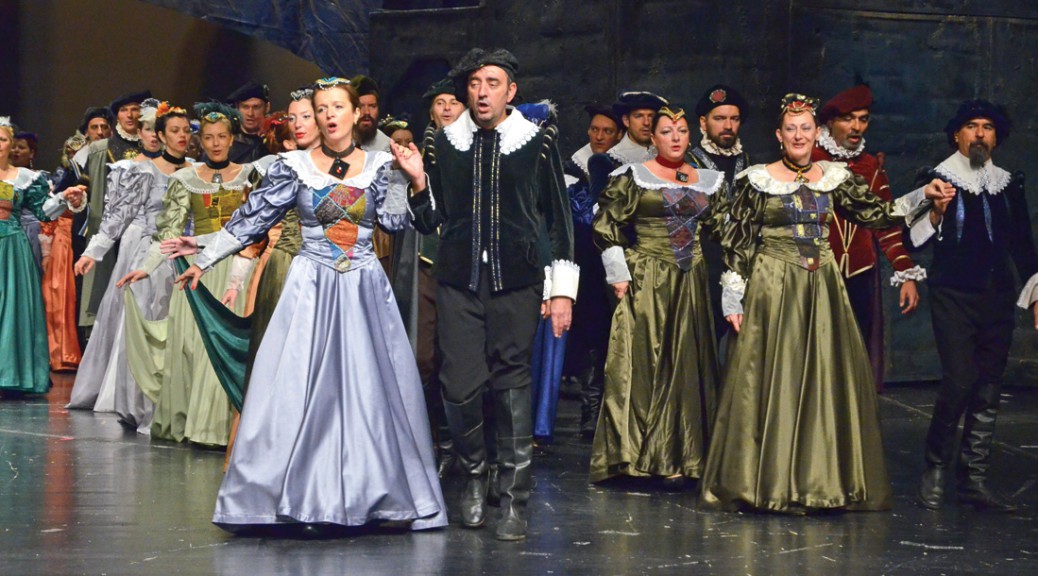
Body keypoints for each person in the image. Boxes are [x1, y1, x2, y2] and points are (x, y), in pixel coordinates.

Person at [174, 76, 446, 532]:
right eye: (321, 109)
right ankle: (294, 496)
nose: (329, 115)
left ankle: (369, 495)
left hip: (362, 289)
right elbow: (252, 218)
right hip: (311, 287)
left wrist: (417, 178)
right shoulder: (293, 166)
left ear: (356, 113)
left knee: (367, 392)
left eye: (338, 106)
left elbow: (402, 221)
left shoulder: (382, 166)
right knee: (296, 388)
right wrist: (204, 257)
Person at [700, 93, 934, 514]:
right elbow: (738, 241)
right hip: (773, 287)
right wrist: (733, 295)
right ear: (779, 135)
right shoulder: (758, 179)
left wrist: (924, 196)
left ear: (815, 133)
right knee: (773, 380)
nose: (798, 136)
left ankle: (818, 480)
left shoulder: (834, 177)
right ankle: (766, 481)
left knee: (822, 380)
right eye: (791, 129)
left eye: (805, 128)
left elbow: (879, 214)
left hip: (822, 287)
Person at [401, 48, 577, 541]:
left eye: (492, 83)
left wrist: (561, 292)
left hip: (516, 280)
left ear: (510, 91)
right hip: (459, 279)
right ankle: (474, 477)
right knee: (459, 385)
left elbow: (558, 219)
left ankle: (514, 497)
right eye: (475, 83)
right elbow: (430, 221)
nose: (482, 92)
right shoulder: (446, 142)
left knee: (512, 380)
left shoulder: (536, 141)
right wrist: (418, 181)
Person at [910, 99, 1038, 513]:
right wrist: (936, 213)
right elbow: (913, 240)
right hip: (953, 295)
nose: (980, 133)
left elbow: (1022, 243)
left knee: (988, 384)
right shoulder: (937, 179)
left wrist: (1036, 292)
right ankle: (935, 467)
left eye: (987, 127)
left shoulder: (1007, 184)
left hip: (996, 297)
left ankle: (973, 479)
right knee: (960, 379)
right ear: (957, 135)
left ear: (996, 137)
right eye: (971, 126)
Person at [589, 105, 726, 488]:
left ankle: (682, 455)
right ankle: (633, 456)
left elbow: (726, 229)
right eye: (667, 131)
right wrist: (618, 273)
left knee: (685, 364)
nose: (676, 137)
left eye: (681, 130)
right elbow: (606, 224)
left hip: (690, 280)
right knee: (644, 362)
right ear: (653, 138)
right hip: (647, 276)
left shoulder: (706, 180)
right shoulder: (634, 176)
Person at [118, 101, 259, 446]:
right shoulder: (186, 179)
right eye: (208, 137)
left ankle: (227, 427)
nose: (215, 143)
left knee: (230, 345)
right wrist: (146, 268)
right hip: (200, 270)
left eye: (222, 136)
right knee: (195, 348)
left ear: (232, 138)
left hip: (238, 269)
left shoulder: (250, 175)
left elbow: (257, 226)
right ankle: (197, 424)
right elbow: (169, 232)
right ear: (201, 141)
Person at [68, 103, 190, 429]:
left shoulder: (195, 170)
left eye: (186, 130)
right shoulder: (142, 170)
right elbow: (116, 218)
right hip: (149, 255)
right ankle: (141, 402)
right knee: (144, 325)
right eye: (174, 130)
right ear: (161, 135)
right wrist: (92, 252)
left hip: (185, 256)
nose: (181, 136)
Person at [814, 85, 924, 391]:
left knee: (856, 356)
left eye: (863, 119)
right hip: (818, 271)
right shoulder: (809, 159)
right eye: (849, 119)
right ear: (831, 123)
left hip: (861, 273)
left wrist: (905, 273)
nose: (857, 127)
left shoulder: (870, 166)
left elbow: (887, 225)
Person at [0, 116, 85, 394]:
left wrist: (64, 198)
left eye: (2, 139)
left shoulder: (25, 179)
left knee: (12, 311)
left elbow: (44, 211)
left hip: (12, 250)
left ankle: (10, 375)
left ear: (11, 145)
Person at [562, 103, 621, 437]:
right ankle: (590, 407)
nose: (599, 137)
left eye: (607, 131)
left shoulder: (623, 166)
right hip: (585, 258)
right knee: (590, 333)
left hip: (615, 258)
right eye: (595, 130)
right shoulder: (573, 166)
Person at [73, 90, 151, 337]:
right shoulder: (100, 149)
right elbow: (82, 188)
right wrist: (77, 199)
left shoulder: (155, 146)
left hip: (145, 232)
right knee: (104, 293)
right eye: (124, 110)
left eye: (135, 109)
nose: (131, 114)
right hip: (108, 229)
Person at [687, 85, 752, 343]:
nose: (728, 125)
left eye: (734, 119)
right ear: (703, 123)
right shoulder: (689, 163)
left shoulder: (749, 162)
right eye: (720, 118)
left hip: (742, 264)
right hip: (704, 265)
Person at [225, 80, 271, 164]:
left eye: (256, 107)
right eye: (245, 107)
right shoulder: (226, 144)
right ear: (237, 108)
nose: (250, 113)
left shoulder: (275, 141)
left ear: (267, 107)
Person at [351, 75, 393, 152]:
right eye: (360, 106)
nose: (367, 112)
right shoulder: (334, 141)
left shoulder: (386, 147)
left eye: (372, 106)